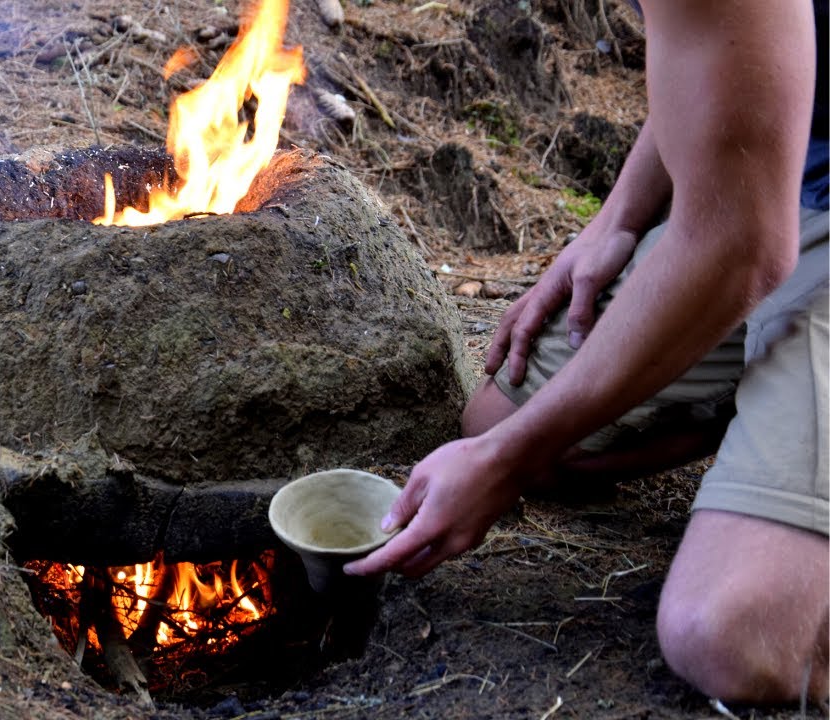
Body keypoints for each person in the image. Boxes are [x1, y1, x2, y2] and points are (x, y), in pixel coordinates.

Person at [345, 0, 829, 704]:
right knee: (504, 417)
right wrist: (615, 220)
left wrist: (504, 463)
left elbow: (742, 248)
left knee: (734, 638)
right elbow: (722, 53)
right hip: (783, 180)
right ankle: (769, 418)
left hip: (761, 227)